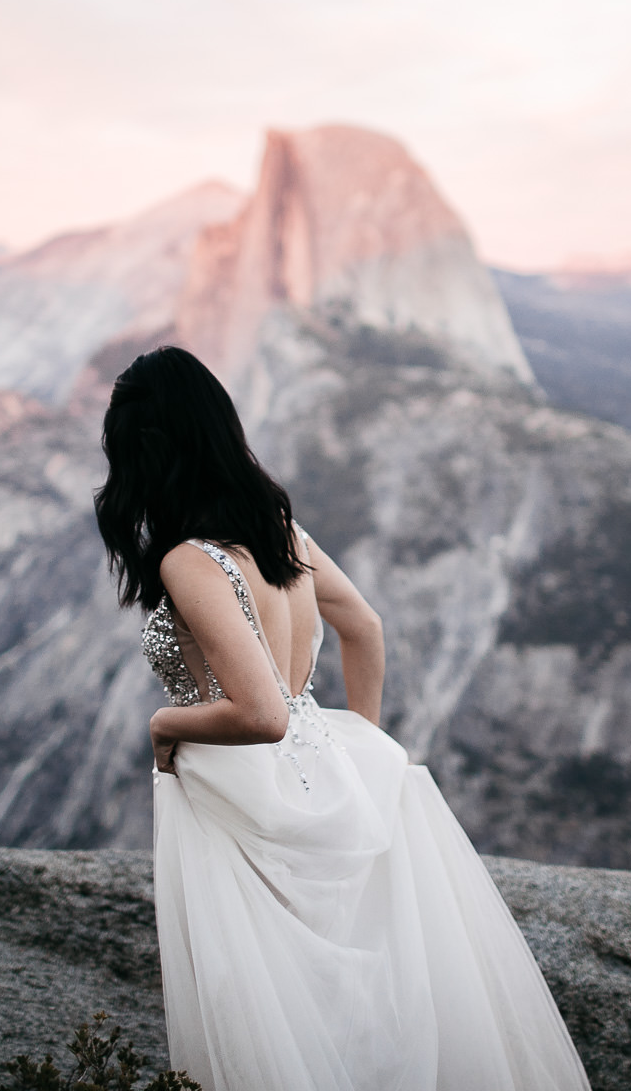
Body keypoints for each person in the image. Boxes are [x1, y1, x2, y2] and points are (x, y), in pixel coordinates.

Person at [95, 346, 591, 1091]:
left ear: (147, 451)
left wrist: (165, 726)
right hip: (319, 763)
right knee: (339, 991)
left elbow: (259, 714)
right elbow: (365, 628)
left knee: (265, 1000)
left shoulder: (189, 561)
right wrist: (358, 747)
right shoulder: (280, 529)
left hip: (238, 792)